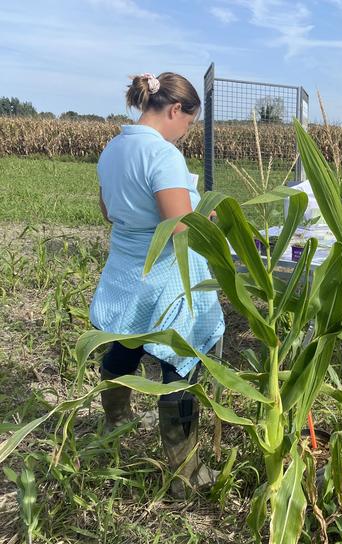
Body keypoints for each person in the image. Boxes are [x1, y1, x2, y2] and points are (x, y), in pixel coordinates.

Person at [90, 72, 225, 497]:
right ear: (174, 110)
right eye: (188, 122)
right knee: (177, 363)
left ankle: (115, 419)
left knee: (127, 342)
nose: (186, 132)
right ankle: (186, 472)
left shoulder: (114, 148)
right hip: (166, 275)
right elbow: (179, 227)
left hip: (127, 269)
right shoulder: (163, 156)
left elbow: (109, 211)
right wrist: (216, 219)